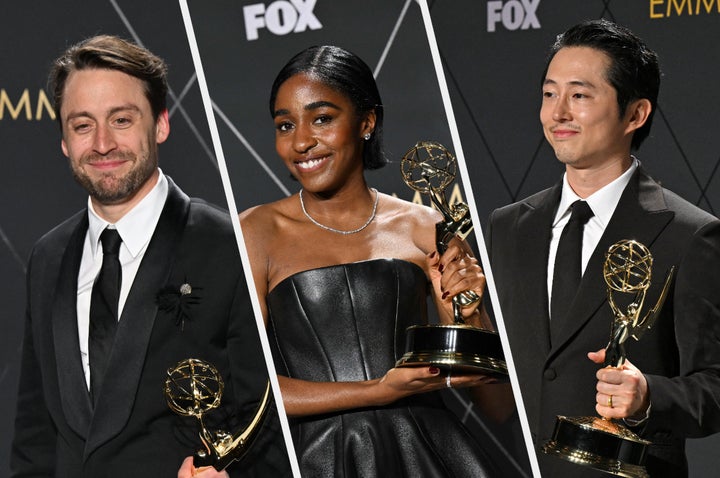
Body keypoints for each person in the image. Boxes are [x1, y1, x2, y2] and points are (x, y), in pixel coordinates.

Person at [224, 45, 515, 478]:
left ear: (366, 121)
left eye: (322, 118)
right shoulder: (256, 233)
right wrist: (377, 390)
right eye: (286, 125)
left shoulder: (426, 226)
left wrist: (469, 315)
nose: (301, 141)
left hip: (430, 455)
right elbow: (249, 394)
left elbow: (498, 407)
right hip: (317, 460)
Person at [10, 35, 289, 478]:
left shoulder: (228, 245)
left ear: (160, 124)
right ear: (64, 140)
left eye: (121, 120)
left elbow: (273, 420)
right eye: (82, 125)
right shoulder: (48, 256)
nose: (102, 144)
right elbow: (35, 438)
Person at [486, 19, 720, 477]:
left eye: (579, 95)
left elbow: (714, 384)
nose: (557, 114)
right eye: (549, 94)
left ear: (635, 114)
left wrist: (649, 394)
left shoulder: (691, 234)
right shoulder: (509, 225)